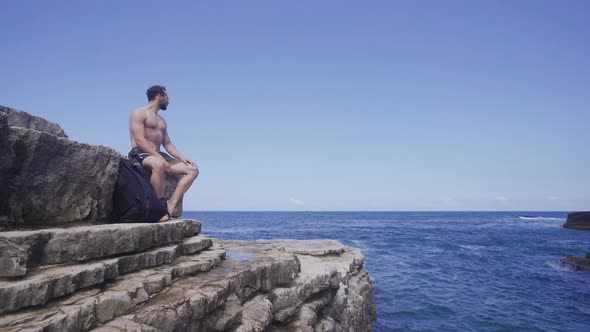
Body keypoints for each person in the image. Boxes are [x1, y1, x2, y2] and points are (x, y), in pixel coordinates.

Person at [128, 85, 199, 221]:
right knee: (159, 164)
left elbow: (168, 144)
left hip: (159, 154)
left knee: (193, 170)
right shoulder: (139, 113)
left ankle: (170, 205)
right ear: (159, 97)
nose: (169, 100)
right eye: (167, 97)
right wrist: (160, 158)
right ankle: (158, 210)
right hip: (140, 152)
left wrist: (182, 157)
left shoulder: (161, 121)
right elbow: (140, 140)